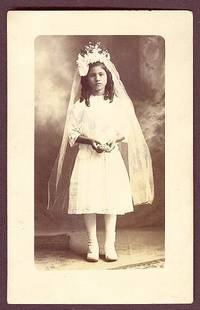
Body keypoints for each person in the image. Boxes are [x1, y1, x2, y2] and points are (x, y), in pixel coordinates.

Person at [47, 42, 154, 263]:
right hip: (88, 157)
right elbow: (72, 136)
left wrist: (112, 140)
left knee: (110, 199)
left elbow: (124, 130)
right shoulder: (81, 105)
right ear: (86, 78)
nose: (97, 79)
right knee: (90, 199)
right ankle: (92, 244)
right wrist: (91, 140)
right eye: (93, 75)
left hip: (110, 156)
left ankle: (109, 245)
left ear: (108, 76)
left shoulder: (116, 103)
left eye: (101, 74)